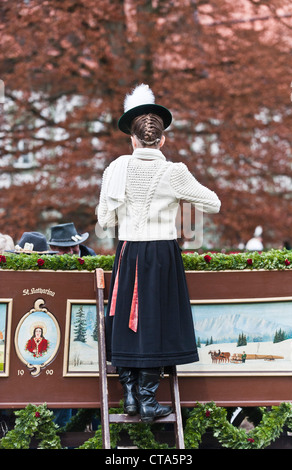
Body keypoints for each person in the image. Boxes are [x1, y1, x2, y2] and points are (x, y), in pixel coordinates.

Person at [97, 84, 221, 423]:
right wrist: (177, 197)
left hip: (128, 251)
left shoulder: (116, 169)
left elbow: (105, 221)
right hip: (162, 253)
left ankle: (133, 399)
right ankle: (149, 401)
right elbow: (213, 203)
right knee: (155, 322)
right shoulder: (174, 172)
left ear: (133, 140)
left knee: (123, 319)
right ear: (161, 140)